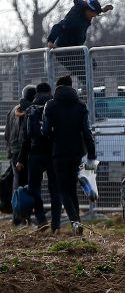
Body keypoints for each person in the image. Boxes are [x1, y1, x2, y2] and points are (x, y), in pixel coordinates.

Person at [42, 75, 97, 236]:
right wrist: (91, 153)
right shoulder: (80, 106)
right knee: (72, 189)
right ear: (72, 86)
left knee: (63, 189)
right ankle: (77, 222)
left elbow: (45, 130)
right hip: (77, 152)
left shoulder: (51, 105)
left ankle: (75, 221)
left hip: (59, 152)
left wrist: (53, 136)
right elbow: (87, 131)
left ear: (57, 87)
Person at [47, 0, 113, 84]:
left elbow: (95, 10)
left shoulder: (87, 12)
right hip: (63, 51)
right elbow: (58, 26)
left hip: (76, 48)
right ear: (87, 10)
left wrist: (103, 9)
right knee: (82, 70)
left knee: (92, 64)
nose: (93, 16)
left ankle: (74, 79)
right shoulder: (73, 17)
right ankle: (82, 85)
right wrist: (50, 41)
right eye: (92, 14)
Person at [16, 83, 55, 230]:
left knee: (34, 188)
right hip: (53, 154)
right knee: (55, 189)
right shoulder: (54, 107)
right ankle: (56, 222)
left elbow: (26, 138)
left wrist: (21, 159)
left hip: (35, 153)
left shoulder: (30, 110)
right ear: (50, 91)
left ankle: (41, 218)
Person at [5, 85, 35, 225]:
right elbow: (26, 135)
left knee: (16, 184)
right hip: (24, 152)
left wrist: (9, 151)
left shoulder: (13, 110)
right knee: (26, 184)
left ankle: (17, 216)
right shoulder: (29, 110)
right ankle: (23, 217)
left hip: (14, 151)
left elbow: (7, 133)